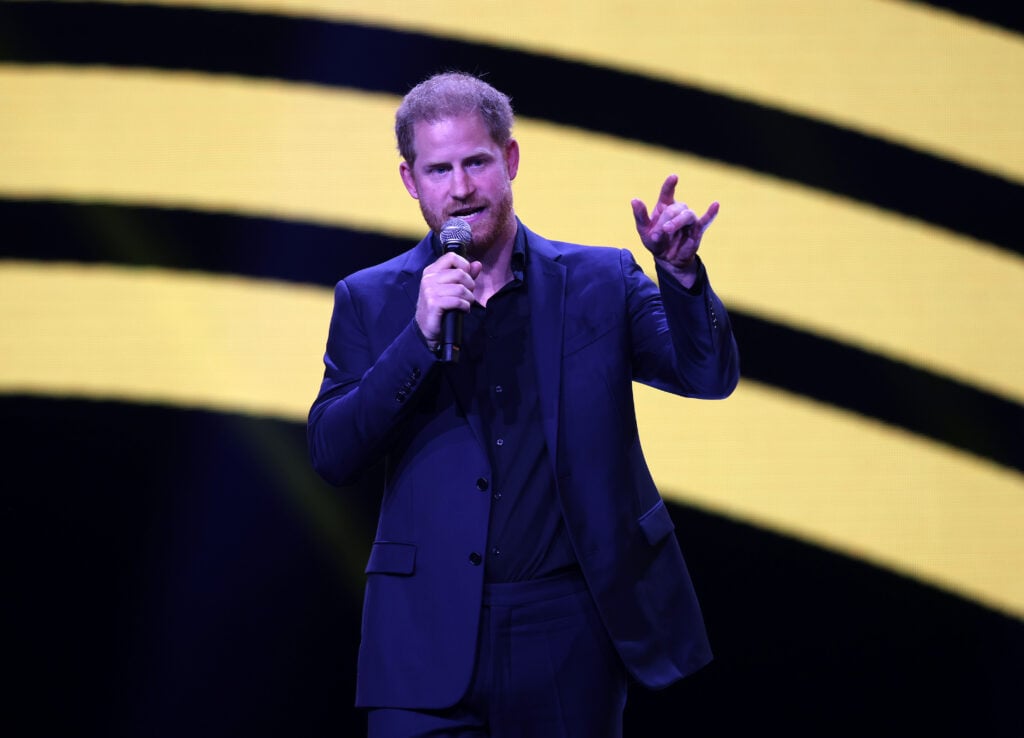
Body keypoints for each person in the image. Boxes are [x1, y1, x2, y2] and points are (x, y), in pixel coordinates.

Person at [308, 71, 739, 737]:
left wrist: (680, 277)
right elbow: (333, 452)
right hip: (422, 636)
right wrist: (418, 339)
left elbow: (705, 376)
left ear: (509, 160)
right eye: (439, 169)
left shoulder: (601, 280)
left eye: (477, 162)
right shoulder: (370, 298)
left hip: (567, 630)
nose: (460, 189)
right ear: (409, 180)